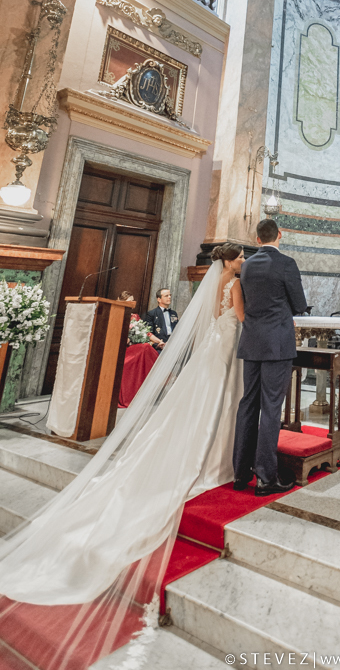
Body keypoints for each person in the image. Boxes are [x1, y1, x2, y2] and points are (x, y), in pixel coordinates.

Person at [0, 245, 245, 668]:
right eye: (242, 256)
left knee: (203, 404)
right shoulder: (237, 282)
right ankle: (212, 457)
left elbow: (209, 322)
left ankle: (205, 449)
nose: (245, 260)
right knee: (218, 403)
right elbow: (239, 318)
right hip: (228, 346)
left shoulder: (215, 282)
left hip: (213, 348)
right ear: (232, 260)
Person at [232, 218, 308, 496]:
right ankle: (266, 477)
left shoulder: (247, 265)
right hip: (277, 342)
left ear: (257, 239)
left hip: (251, 342)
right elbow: (299, 305)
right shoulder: (286, 263)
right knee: (272, 408)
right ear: (280, 235)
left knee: (248, 404)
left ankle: (240, 473)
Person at [146, 286, 178, 350]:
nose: (169, 297)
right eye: (166, 296)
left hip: (174, 344)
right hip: (160, 345)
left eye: (170, 295)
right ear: (159, 299)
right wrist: (157, 344)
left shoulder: (173, 313)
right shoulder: (152, 314)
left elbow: (177, 329)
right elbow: (148, 333)